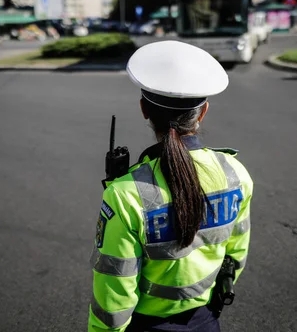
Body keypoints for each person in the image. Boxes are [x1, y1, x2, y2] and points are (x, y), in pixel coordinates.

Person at [89, 41, 253, 332]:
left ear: (144, 110)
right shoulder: (236, 174)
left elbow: (114, 292)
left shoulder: (125, 194)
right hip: (205, 320)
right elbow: (235, 256)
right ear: (202, 113)